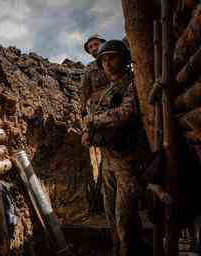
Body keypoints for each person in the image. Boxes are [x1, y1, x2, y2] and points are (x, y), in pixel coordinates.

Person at [82, 39, 147, 256]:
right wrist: (88, 133)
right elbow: (91, 115)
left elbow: (126, 113)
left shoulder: (134, 83)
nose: (107, 64)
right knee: (110, 213)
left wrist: (93, 122)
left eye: (112, 58)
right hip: (108, 158)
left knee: (125, 217)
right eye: (103, 60)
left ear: (124, 58)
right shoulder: (106, 91)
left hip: (128, 160)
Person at [81, 34, 108, 214]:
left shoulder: (116, 60)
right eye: (90, 47)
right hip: (100, 115)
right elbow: (85, 96)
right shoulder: (89, 69)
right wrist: (87, 122)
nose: (93, 49)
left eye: (96, 45)